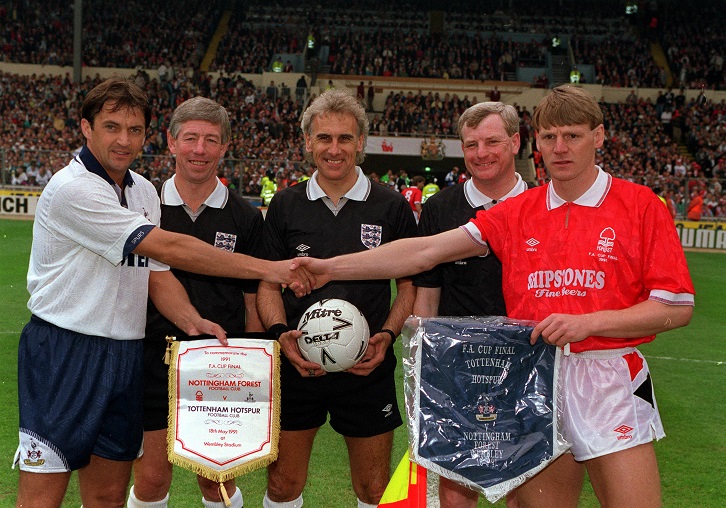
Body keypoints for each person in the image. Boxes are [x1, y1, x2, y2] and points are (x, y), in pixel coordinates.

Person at [293, 85, 695, 508]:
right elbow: (425, 250)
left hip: (607, 378)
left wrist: (589, 323)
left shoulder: (640, 205)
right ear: (535, 142)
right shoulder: (519, 210)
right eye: (549, 137)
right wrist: (330, 267)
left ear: (598, 136)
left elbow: (675, 307)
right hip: (536, 380)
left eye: (572, 136)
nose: (559, 148)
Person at [14, 77, 312, 508]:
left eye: (134, 130)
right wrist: (273, 269)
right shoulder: (73, 188)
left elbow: (156, 274)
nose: (124, 140)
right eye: (112, 126)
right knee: (43, 496)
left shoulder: (140, 191)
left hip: (125, 355)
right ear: (85, 127)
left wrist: (194, 322)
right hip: (65, 350)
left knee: (109, 495)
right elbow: (171, 248)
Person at [257, 89, 418, 508]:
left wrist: (386, 335)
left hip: (367, 368)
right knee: (282, 486)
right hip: (297, 368)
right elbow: (266, 284)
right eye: (324, 138)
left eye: (345, 138)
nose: (334, 149)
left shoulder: (390, 206)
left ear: (360, 143)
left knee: (374, 490)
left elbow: (409, 285)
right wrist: (279, 336)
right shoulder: (286, 204)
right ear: (308, 141)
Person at [128, 97, 262, 508]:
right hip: (149, 354)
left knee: (215, 482)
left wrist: (256, 358)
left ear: (224, 147)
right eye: (190, 138)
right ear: (170, 142)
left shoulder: (245, 215)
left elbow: (255, 295)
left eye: (211, 140)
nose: (199, 150)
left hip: (220, 363)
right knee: (151, 480)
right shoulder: (141, 204)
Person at [412, 102, 530, 507]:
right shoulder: (441, 208)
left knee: (522, 481)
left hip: (528, 366)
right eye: (471, 144)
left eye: (492, 142)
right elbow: (426, 294)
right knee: (456, 483)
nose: (481, 153)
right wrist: (423, 371)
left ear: (515, 142)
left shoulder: (544, 205)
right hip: (457, 369)